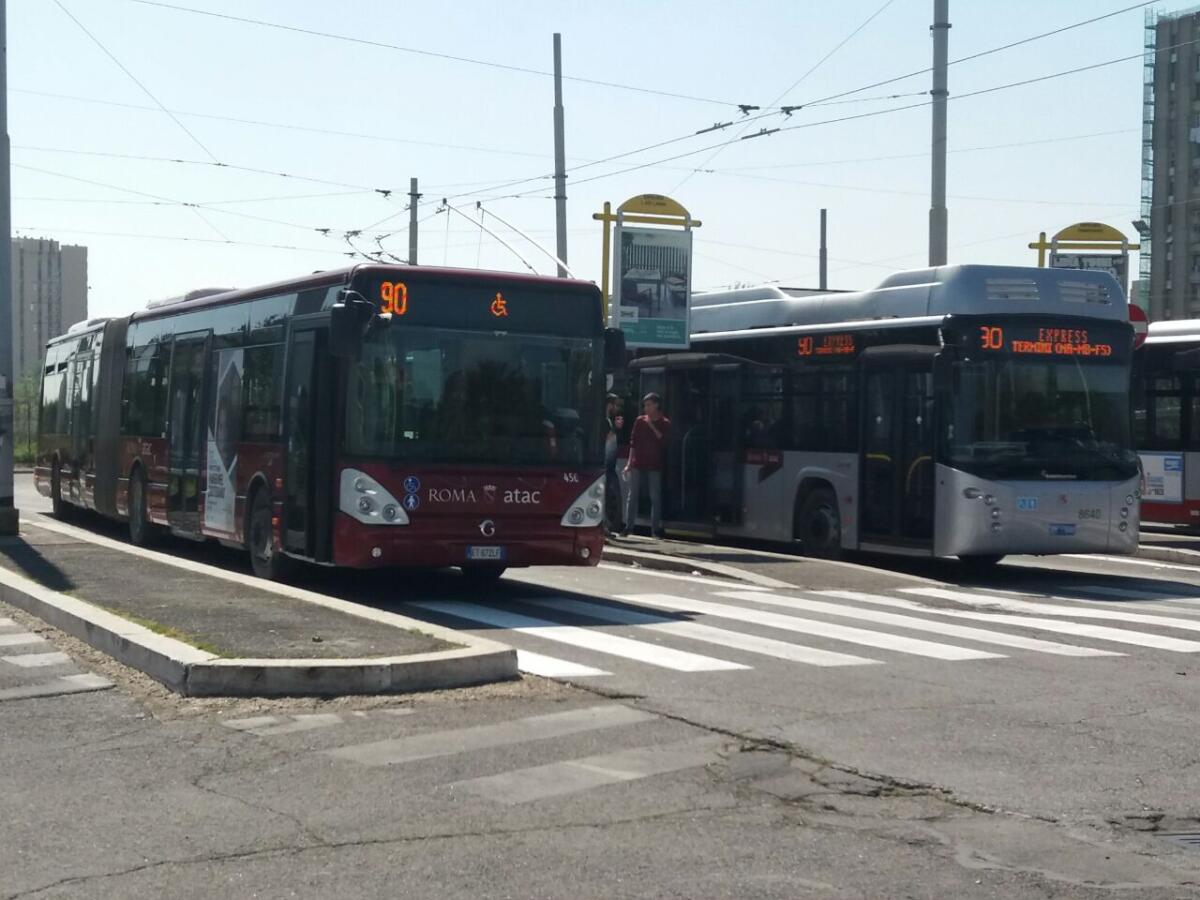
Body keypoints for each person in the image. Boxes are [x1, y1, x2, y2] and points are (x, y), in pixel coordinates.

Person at [623, 392, 671, 537]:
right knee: (632, 496)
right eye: (645, 405)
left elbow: (664, 441)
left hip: (654, 465)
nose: (646, 408)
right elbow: (633, 442)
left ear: (656, 405)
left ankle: (655, 530)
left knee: (655, 497)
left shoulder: (665, 423)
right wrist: (629, 463)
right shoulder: (639, 421)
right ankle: (628, 527)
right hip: (638, 463)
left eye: (649, 405)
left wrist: (651, 425)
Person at [602, 394, 624, 533]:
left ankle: (607, 523)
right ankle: (605, 524)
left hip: (610, 464)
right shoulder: (604, 421)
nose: (616, 408)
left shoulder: (609, 421)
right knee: (605, 495)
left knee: (608, 495)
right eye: (614, 404)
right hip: (606, 464)